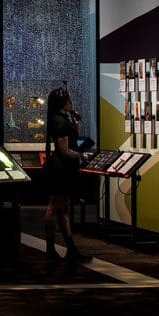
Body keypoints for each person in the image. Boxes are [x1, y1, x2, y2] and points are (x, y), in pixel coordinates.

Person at [43, 86, 92, 263]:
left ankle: (69, 249)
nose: (72, 102)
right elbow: (64, 151)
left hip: (61, 168)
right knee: (56, 207)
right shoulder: (60, 121)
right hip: (61, 168)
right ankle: (51, 250)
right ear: (63, 102)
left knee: (61, 208)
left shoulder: (61, 119)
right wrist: (81, 155)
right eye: (69, 100)